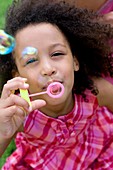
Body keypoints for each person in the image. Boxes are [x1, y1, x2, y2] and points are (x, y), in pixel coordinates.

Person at [1, 0, 113, 169]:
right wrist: (3, 132)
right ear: (18, 77)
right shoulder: (21, 112)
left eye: (57, 53)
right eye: (31, 60)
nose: (48, 69)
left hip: (99, 152)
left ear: (75, 62)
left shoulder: (95, 91)